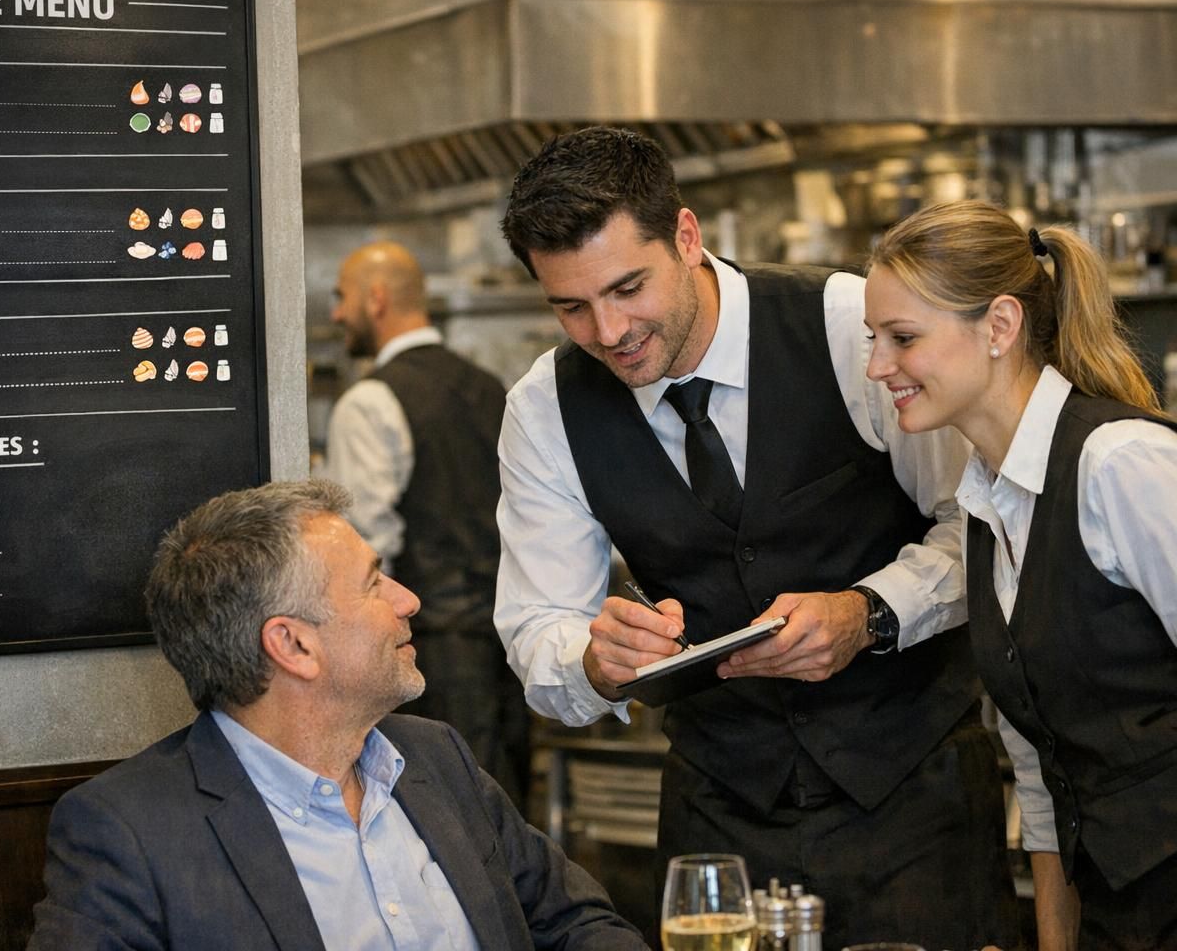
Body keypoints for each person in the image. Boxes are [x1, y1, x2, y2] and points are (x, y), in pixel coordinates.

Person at [494, 127, 1020, 951]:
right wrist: (594, 660)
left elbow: (978, 522)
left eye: (629, 287)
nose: (608, 330)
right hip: (719, 816)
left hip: (913, 797)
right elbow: (537, 628)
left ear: (687, 237)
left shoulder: (851, 327)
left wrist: (869, 612)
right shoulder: (544, 409)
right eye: (570, 306)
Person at [27, 479, 646, 951]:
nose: (410, 600)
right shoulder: (127, 832)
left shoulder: (435, 757)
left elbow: (576, 923)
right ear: (293, 645)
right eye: (375, 583)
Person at [865, 200, 1177, 951]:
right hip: (1117, 915)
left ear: (1000, 326)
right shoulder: (984, 505)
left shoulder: (1120, 464)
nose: (878, 367)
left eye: (902, 338)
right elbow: (1043, 776)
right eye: (872, 340)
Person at [324, 240, 530, 803]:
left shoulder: (369, 401)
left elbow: (365, 549)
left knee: (447, 819)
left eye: (342, 298)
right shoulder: (491, 388)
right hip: (510, 647)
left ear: (377, 298)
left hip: (429, 653)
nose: (337, 313)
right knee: (506, 812)